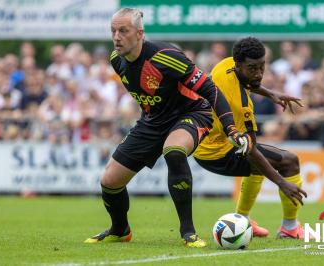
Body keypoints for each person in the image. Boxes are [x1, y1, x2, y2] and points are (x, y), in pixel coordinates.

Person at [84, 8, 251, 247]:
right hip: (153, 122)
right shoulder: (115, 60)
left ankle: (188, 232)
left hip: (192, 113)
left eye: (123, 31)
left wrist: (231, 129)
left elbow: (210, 89)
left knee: (173, 150)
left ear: (140, 33)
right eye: (113, 31)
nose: (116, 37)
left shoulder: (166, 56)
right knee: (110, 181)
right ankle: (120, 230)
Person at [194, 37, 308, 239]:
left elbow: (245, 81)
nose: (259, 73)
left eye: (262, 66)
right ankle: (289, 228)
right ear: (239, 65)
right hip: (215, 152)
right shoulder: (241, 106)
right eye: (253, 68)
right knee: (290, 161)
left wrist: (270, 93)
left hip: (203, 143)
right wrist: (281, 182)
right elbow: (251, 150)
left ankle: (242, 221)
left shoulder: (227, 64)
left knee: (258, 166)